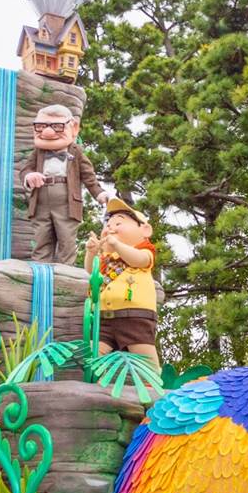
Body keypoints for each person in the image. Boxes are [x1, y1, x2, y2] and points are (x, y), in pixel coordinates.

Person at [20, 104, 108, 265]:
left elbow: (88, 176)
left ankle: (65, 272)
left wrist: (99, 193)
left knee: (66, 240)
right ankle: (40, 271)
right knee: (41, 238)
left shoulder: (76, 151)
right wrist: (29, 176)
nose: (48, 132)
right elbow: (25, 170)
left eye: (57, 126)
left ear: (73, 128)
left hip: (67, 203)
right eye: (41, 126)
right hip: (41, 200)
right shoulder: (38, 152)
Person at [84, 197, 159, 369]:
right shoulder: (107, 259)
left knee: (145, 361)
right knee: (93, 357)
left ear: (145, 230)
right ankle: (96, 382)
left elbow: (138, 260)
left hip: (135, 318)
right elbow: (90, 270)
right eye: (108, 225)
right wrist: (92, 252)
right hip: (103, 318)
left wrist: (117, 244)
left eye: (118, 223)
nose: (111, 228)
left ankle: (152, 382)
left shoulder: (145, 252)